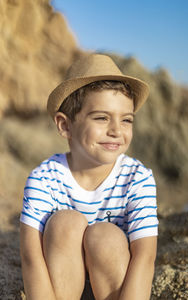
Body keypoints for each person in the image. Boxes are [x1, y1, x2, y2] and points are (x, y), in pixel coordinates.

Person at [20, 53, 158, 300]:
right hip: (61, 281)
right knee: (65, 223)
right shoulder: (44, 179)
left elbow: (145, 257)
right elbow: (31, 257)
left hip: (111, 281)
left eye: (126, 120)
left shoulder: (137, 178)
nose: (116, 130)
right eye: (102, 118)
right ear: (65, 126)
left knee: (104, 235)